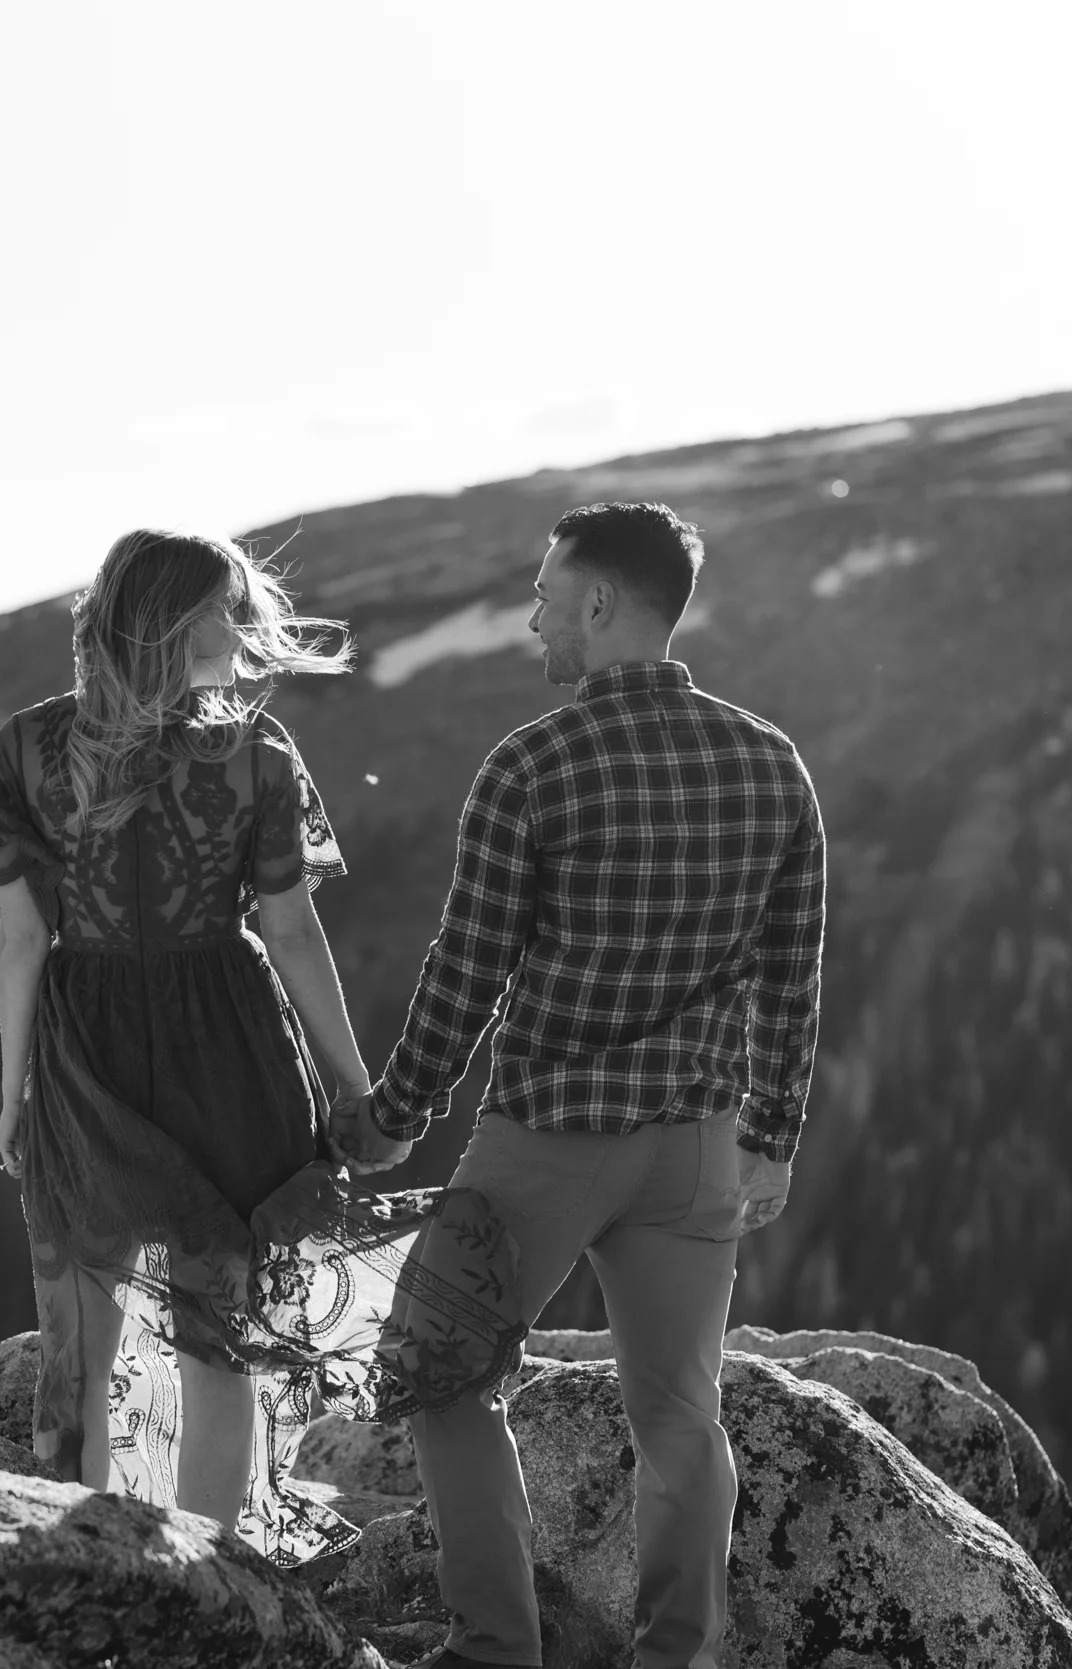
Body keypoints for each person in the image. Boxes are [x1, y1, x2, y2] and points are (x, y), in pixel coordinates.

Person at [335, 501, 825, 1669]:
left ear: (601, 604)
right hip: (698, 1145)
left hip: (546, 1140)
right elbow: (790, 971)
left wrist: (391, 1119)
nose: (534, 614)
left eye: (548, 594)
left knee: (440, 1377)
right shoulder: (771, 760)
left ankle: (495, 1651)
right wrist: (773, 1134)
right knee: (679, 1417)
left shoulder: (532, 763)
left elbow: (465, 972)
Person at [0, 528, 521, 1565]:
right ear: (177, 622)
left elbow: (24, 937)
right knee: (219, 1342)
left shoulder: (27, 748)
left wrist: (13, 1092)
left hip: (81, 1043)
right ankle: (204, 1582)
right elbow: (290, 932)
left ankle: (80, 1572)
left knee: (78, 1350)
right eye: (228, 608)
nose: (244, 629)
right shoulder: (254, 755)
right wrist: (353, 1091)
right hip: (228, 1044)